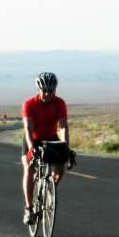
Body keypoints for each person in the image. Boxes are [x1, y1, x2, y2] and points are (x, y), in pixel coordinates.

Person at [21, 72, 72, 225]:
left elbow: (63, 126)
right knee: (29, 168)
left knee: (61, 167)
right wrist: (31, 149)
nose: (48, 94)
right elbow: (28, 129)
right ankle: (29, 208)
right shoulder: (29, 103)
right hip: (33, 139)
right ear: (39, 89)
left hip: (51, 138)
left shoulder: (60, 103)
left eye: (51, 91)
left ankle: (50, 187)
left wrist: (66, 147)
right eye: (45, 91)